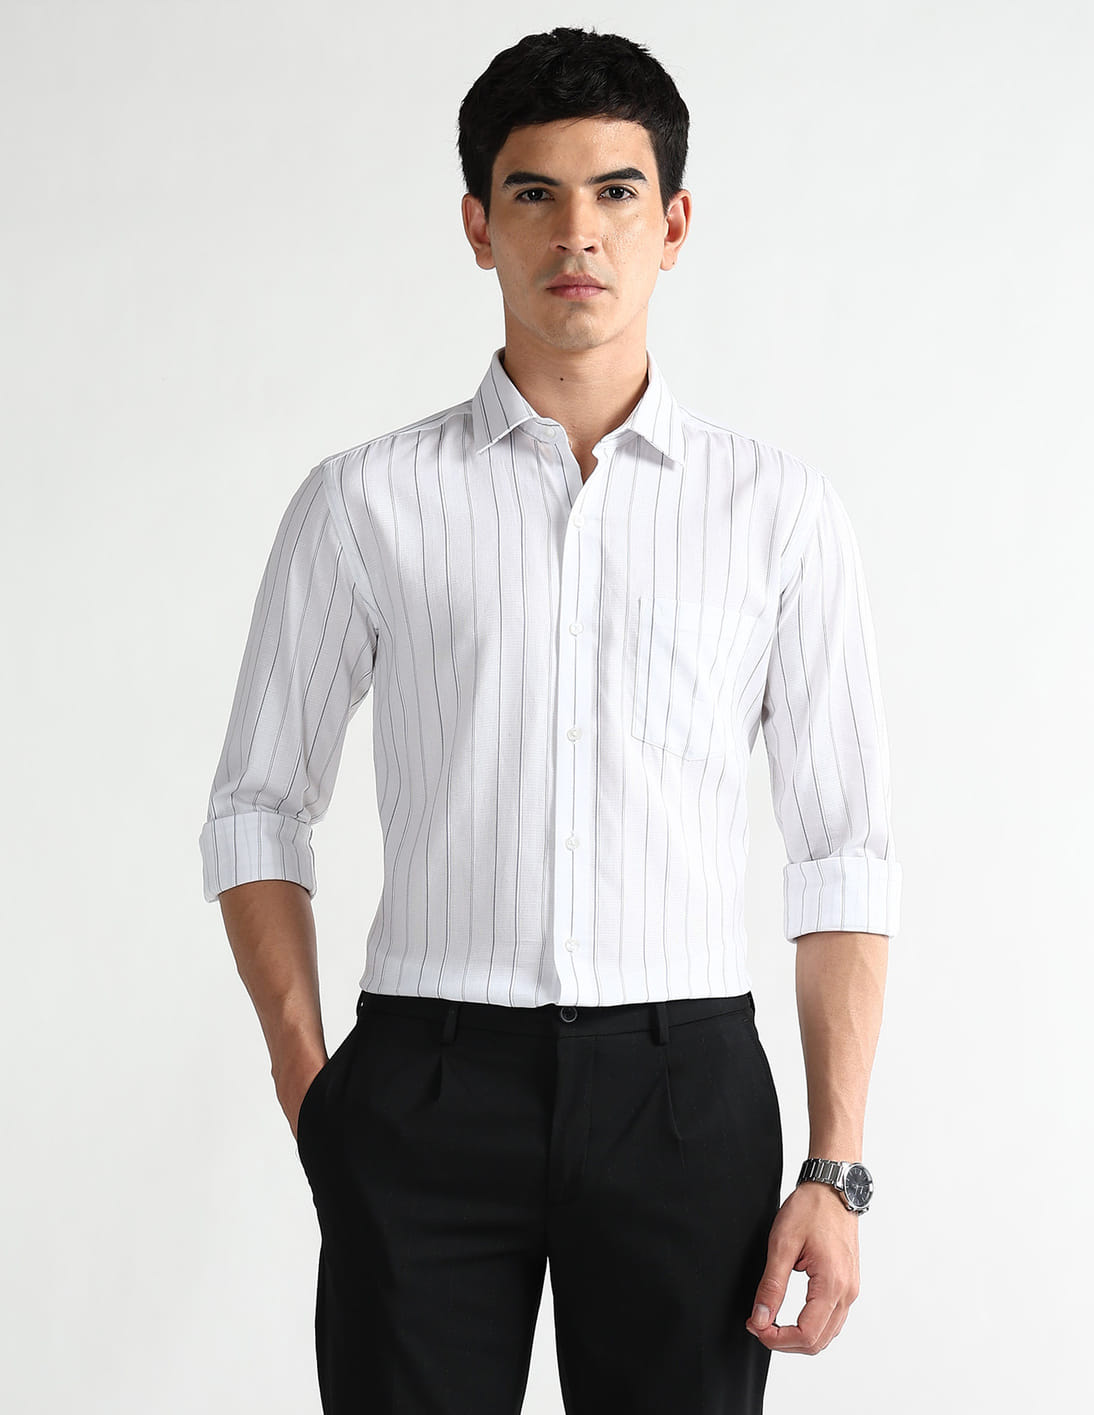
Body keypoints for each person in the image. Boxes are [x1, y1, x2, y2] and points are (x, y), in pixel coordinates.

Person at [199, 25, 901, 1415]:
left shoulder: (776, 513)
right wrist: (311, 1084)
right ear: (478, 225)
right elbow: (256, 807)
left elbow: (842, 851)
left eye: (616, 191)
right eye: (534, 192)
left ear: (672, 223)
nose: (578, 231)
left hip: (685, 1093)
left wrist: (834, 1166)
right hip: (424, 1088)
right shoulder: (365, 501)